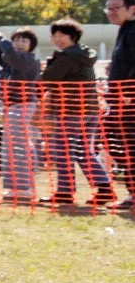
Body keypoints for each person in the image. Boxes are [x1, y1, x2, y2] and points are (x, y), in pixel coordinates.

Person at [39, 18, 114, 209]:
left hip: (69, 110)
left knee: (63, 151)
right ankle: (104, 187)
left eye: (62, 35)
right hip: (90, 109)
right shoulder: (84, 55)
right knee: (83, 150)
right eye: (55, 35)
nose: (58, 39)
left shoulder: (67, 57)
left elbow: (48, 78)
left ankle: (65, 192)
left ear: (73, 37)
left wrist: (50, 64)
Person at [0, 28, 42, 205]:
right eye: (16, 40)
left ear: (31, 46)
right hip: (13, 106)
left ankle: (24, 187)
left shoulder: (28, 59)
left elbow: (9, 54)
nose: (19, 44)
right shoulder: (13, 62)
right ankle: (18, 186)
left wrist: (1, 38)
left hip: (23, 106)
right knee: (11, 147)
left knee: (18, 147)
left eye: (24, 41)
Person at [105, 0, 135, 212]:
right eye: (108, 8)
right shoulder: (125, 31)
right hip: (119, 99)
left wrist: (128, 91)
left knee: (128, 146)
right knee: (117, 142)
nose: (110, 12)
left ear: (132, 9)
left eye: (116, 7)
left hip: (128, 100)